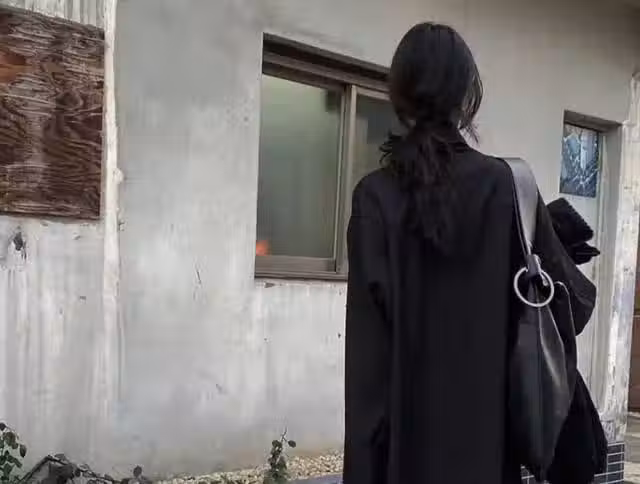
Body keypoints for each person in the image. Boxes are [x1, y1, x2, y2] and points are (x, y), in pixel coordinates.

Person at [343, 22, 604, 484]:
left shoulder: (375, 200)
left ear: (399, 95)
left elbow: (368, 375)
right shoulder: (509, 190)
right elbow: (573, 309)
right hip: (490, 458)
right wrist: (540, 243)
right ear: (467, 97)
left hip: (404, 463)